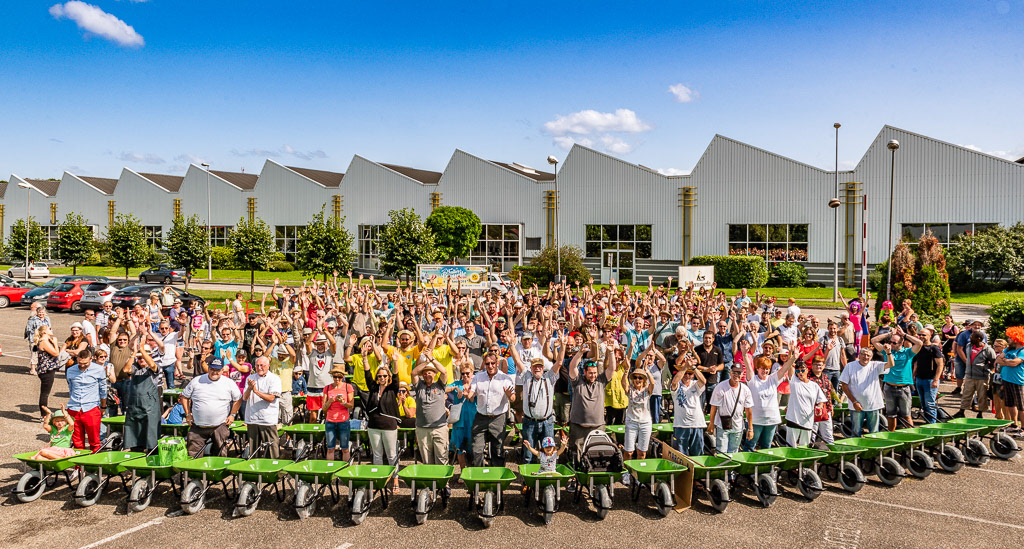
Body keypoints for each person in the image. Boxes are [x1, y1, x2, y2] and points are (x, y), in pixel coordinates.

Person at [567, 341, 617, 462]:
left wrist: (611, 352)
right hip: (578, 426)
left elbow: (612, 369)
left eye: (595, 373)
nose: (593, 375)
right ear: (584, 372)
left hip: (598, 426)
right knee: (576, 456)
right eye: (590, 373)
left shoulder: (601, 380)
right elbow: (572, 367)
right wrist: (580, 353)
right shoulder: (577, 381)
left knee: (598, 455)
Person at [182, 358, 242, 457]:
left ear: (222, 370)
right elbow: (184, 397)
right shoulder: (196, 380)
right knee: (193, 455)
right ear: (208, 368)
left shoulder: (229, 383)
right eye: (212, 369)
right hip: (198, 426)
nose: (214, 372)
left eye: (217, 370)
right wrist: (188, 414)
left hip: (220, 425)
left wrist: (232, 415)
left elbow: (238, 399)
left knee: (221, 455)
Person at [469, 351, 516, 467]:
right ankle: (478, 473)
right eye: (487, 363)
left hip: (498, 418)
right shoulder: (478, 377)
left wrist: (509, 395)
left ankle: (498, 474)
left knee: (498, 449)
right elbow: (471, 394)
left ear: (497, 363)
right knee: (476, 449)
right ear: (484, 364)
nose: (490, 366)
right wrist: (468, 395)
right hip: (481, 417)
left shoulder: (505, 378)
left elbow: (513, 398)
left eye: (493, 363)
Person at [872, 326, 922, 430]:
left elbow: (919, 343)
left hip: (904, 388)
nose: (891, 345)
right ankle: (891, 434)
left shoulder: (907, 352)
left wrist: (904, 334)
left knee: (906, 415)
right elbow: (874, 340)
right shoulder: (887, 351)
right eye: (890, 342)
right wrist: (889, 334)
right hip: (889, 387)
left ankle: (912, 435)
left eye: (894, 343)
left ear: (901, 343)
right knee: (891, 415)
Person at [839, 346, 895, 435]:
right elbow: (844, 385)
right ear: (859, 355)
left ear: (871, 357)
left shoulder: (875, 365)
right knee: (856, 432)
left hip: (873, 405)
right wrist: (854, 402)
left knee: (874, 433)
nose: (865, 357)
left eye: (868, 355)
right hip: (856, 405)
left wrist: (888, 352)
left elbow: (891, 364)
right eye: (863, 354)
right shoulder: (850, 366)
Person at [121, 342, 162, 451]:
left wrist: (142, 351)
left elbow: (152, 366)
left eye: (143, 357)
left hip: (150, 408)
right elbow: (126, 370)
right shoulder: (135, 367)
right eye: (139, 358)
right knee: (134, 437)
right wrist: (134, 353)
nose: (141, 359)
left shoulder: (154, 367)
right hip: (134, 407)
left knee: (152, 438)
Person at [742, 354, 787, 451]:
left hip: (771, 420)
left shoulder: (773, 378)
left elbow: (784, 369)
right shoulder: (753, 380)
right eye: (762, 368)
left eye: (767, 369)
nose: (765, 371)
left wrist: (793, 357)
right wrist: (744, 354)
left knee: (766, 446)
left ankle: (764, 462)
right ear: (757, 368)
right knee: (750, 445)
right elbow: (748, 366)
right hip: (755, 420)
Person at [65, 348, 107, 451]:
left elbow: (103, 390)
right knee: (77, 441)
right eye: (80, 363)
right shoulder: (70, 370)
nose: (82, 365)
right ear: (77, 359)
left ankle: (94, 460)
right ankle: (79, 461)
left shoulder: (99, 369)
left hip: (91, 408)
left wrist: (103, 406)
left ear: (91, 359)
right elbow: (71, 388)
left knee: (94, 441)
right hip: (74, 408)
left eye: (85, 363)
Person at [411, 354, 449, 465]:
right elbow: (413, 373)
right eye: (425, 373)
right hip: (422, 428)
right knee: (427, 461)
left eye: (430, 372)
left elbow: (444, 372)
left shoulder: (440, 385)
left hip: (440, 428)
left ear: (434, 374)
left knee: (442, 458)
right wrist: (426, 363)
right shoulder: (419, 386)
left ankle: (442, 477)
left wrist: (432, 359)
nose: (427, 375)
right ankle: (430, 477)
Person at [361, 360, 400, 466]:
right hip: (373, 426)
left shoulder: (392, 389)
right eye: (379, 376)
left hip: (389, 426)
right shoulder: (374, 389)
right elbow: (367, 374)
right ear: (377, 378)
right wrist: (364, 358)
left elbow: (396, 376)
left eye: (384, 376)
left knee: (391, 454)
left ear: (388, 377)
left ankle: (395, 475)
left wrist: (395, 361)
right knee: (377, 454)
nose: (382, 378)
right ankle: (379, 475)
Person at [707, 364, 753, 453]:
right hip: (722, 425)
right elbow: (714, 407)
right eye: (734, 372)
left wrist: (750, 428)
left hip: (738, 426)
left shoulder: (745, 389)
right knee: (721, 452)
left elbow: (748, 410)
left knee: (734, 452)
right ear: (730, 373)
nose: (736, 375)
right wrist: (711, 424)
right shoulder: (720, 387)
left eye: (739, 373)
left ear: (742, 374)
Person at [621, 362, 654, 485]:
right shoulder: (630, 390)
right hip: (631, 422)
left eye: (640, 378)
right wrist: (626, 371)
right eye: (635, 377)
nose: (637, 380)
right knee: (629, 451)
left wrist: (647, 371)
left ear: (644, 380)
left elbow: (653, 383)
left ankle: (638, 474)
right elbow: (623, 383)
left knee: (642, 452)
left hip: (645, 423)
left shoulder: (647, 391)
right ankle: (626, 473)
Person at [783, 352, 826, 447]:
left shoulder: (814, 385)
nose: (800, 373)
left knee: (805, 446)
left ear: (807, 370)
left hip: (807, 420)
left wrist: (819, 407)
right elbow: (789, 366)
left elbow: (821, 400)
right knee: (790, 446)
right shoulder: (794, 381)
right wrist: (791, 353)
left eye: (802, 370)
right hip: (793, 418)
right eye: (797, 371)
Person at [244, 356, 282, 458]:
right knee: (253, 451)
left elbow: (271, 398)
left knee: (272, 451)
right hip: (252, 419)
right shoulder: (250, 378)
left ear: (268, 366)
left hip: (267, 420)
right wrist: (249, 389)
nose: (259, 368)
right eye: (257, 365)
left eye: (262, 365)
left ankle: (273, 467)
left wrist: (256, 391)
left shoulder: (274, 379)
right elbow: (244, 398)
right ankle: (254, 467)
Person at [954, 331, 996, 419]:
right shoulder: (969, 346)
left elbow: (994, 361)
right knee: (966, 394)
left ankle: (980, 413)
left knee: (982, 396)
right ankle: (961, 412)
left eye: (972, 336)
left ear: (978, 339)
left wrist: (986, 369)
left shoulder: (988, 349)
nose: (970, 338)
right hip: (969, 375)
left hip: (982, 377)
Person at [670, 353, 706, 456]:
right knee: (681, 456)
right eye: (685, 373)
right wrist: (685, 367)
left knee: (697, 455)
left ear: (693, 375)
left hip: (697, 424)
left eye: (690, 374)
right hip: (681, 425)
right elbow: (674, 383)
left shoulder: (695, 384)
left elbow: (703, 381)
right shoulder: (677, 384)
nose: (687, 376)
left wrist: (693, 367)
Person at [446, 363, 478, 472]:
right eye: (463, 373)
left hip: (473, 419)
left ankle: (473, 471)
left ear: (472, 372)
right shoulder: (457, 384)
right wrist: (455, 388)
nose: (465, 375)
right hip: (459, 420)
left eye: (467, 373)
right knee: (459, 447)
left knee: (473, 446)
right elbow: (443, 389)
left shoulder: (476, 384)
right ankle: (463, 471)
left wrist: (469, 395)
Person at [997, 327, 1024, 436]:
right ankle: (1014, 425)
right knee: (1010, 404)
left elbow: (1014, 363)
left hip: (1018, 381)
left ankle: (1023, 428)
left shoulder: (1022, 351)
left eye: (1010, 338)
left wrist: (1005, 361)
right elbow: (998, 360)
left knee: (1021, 406)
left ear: (1016, 339)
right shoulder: (1008, 349)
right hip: (1006, 380)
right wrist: (1008, 361)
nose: (1008, 339)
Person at [323, 366, 354, 462]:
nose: (337, 379)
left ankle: (345, 468)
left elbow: (351, 405)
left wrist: (343, 402)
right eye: (335, 377)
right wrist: (330, 401)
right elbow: (324, 407)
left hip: (343, 420)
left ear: (343, 377)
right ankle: (330, 468)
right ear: (332, 376)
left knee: (345, 448)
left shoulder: (347, 387)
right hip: (330, 420)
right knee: (330, 448)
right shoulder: (327, 388)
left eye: (339, 377)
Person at [913, 332, 944, 425]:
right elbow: (916, 363)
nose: (921, 336)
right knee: (923, 404)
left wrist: (936, 380)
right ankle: (927, 422)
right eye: (920, 334)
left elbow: (940, 365)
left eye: (924, 335)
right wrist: (913, 375)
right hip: (919, 378)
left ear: (930, 336)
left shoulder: (934, 348)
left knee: (929, 404)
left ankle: (932, 424)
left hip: (930, 379)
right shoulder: (919, 347)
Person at [34, 325, 61, 416]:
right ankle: (44, 415)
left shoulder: (46, 341)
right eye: (50, 329)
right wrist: (55, 343)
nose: (52, 330)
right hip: (46, 370)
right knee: (45, 394)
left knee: (45, 393)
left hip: (47, 369)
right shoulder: (44, 342)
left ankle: (44, 414)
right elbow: (56, 353)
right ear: (44, 332)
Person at [952, 319, 985, 395]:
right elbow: (959, 348)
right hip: (962, 357)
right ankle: (959, 387)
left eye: (979, 325)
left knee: (971, 377)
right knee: (959, 374)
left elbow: (984, 347)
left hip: (976, 360)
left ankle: (969, 391)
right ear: (971, 325)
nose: (977, 326)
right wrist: (966, 361)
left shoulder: (983, 335)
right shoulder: (963, 334)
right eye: (975, 325)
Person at [25, 303, 50, 375]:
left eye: (42, 312)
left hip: (45, 339)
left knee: (43, 354)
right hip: (35, 340)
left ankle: (40, 367)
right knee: (34, 354)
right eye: (40, 312)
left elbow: (49, 328)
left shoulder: (47, 319)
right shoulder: (32, 319)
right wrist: (36, 335)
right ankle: (32, 369)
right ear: (37, 312)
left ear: (45, 312)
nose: (41, 314)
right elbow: (28, 330)